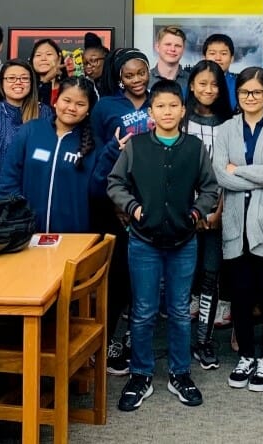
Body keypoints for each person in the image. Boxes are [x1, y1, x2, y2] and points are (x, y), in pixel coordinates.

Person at [108, 80, 220, 411]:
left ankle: (180, 373)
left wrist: (198, 211)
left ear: (182, 111)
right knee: (142, 312)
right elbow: (114, 183)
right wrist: (133, 208)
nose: (167, 111)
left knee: (179, 312)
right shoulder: (136, 146)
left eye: (173, 106)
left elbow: (210, 188)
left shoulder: (194, 147)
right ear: (151, 112)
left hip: (184, 241)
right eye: (160, 106)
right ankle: (140, 375)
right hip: (143, 242)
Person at [212, 67, 263, 394]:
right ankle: (246, 356)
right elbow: (221, 174)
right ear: (238, 95)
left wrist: (241, 171)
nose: (251, 98)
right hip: (235, 222)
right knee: (241, 295)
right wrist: (259, 173)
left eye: (257, 93)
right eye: (245, 92)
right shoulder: (226, 129)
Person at [90, 48, 154, 376]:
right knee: (116, 277)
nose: (137, 80)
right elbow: (98, 151)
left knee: (144, 279)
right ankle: (109, 340)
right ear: (119, 77)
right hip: (114, 204)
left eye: (141, 72)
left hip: (152, 202)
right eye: (129, 75)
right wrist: (117, 203)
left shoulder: (161, 99)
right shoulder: (105, 107)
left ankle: (133, 340)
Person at [0, 77, 108, 232]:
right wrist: (19, 217)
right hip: (27, 234)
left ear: (89, 109)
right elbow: (8, 178)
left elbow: (99, 193)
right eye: (66, 100)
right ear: (56, 101)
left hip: (73, 238)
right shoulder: (30, 131)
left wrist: (113, 153)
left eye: (80, 104)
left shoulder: (95, 145)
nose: (71, 108)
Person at [184, 60, 234, 369]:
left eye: (214, 84)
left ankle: (203, 341)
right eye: (202, 83)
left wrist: (217, 209)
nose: (208, 89)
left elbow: (230, 170)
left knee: (210, 276)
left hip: (217, 213)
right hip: (184, 213)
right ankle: (178, 341)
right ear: (191, 85)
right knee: (182, 277)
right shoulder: (180, 120)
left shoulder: (229, 123)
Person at [0, 59, 51, 204]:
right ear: (1, 83)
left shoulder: (45, 114)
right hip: (2, 204)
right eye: (11, 78)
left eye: (24, 78)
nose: (18, 82)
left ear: (32, 83)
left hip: (41, 199)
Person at [149, 25, 190, 91]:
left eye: (178, 46)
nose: (172, 49)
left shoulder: (191, 81)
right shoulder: (146, 80)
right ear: (157, 47)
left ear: (183, 49)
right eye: (168, 44)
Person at [202, 33, 238, 109]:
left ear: (232, 58)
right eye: (212, 53)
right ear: (204, 57)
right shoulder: (193, 84)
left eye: (223, 53)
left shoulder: (239, 85)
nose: (218, 58)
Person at [30, 38, 63, 105]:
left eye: (49, 54)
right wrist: (46, 81)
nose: (43, 58)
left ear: (59, 58)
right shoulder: (27, 88)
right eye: (38, 55)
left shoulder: (68, 87)